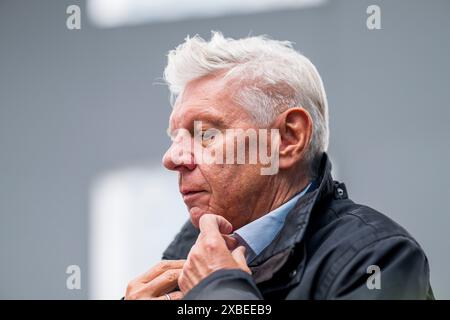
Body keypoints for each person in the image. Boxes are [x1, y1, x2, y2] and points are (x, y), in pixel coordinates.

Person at [125, 32, 433, 300]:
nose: (171, 158)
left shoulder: (378, 259)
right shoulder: (187, 259)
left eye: (205, 133)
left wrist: (219, 291)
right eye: (175, 137)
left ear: (288, 138)